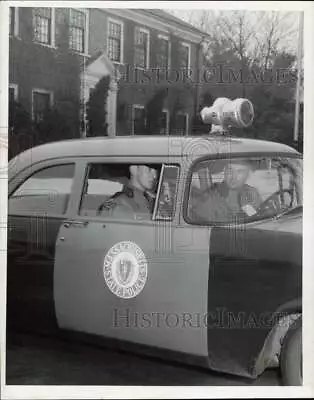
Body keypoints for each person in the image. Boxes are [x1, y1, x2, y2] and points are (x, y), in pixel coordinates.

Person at [194, 160, 262, 223]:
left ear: (247, 175)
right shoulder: (210, 196)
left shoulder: (252, 193)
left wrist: (247, 208)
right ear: (224, 172)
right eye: (230, 170)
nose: (233, 177)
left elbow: (255, 219)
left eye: (240, 172)